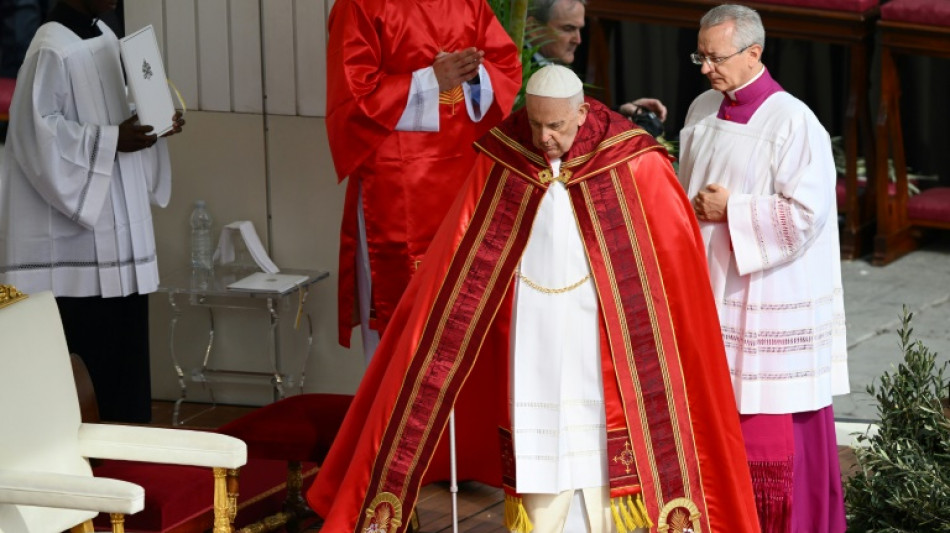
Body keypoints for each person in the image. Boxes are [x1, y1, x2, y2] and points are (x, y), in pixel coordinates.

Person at [308, 65, 759, 533]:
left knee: (599, 446)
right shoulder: (505, 154)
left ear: (582, 113)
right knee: (538, 445)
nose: (544, 137)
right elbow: (463, 250)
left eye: (557, 126)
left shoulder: (631, 158)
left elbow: (672, 259)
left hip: (598, 333)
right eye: (537, 122)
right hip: (530, 327)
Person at [677, 5, 849, 533]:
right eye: (700, 56)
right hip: (710, 287)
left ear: (755, 53)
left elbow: (806, 215)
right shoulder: (702, 109)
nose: (706, 68)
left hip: (766, 300)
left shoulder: (794, 122)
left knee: (766, 437)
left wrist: (730, 209)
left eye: (716, 57)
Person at [0, 0, 184, 423]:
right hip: (76, 247)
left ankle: (133, 455)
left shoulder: (104, 35)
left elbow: (114, 112)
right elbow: (35, 134)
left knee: (126, 366)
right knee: (88, 363)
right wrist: (110, 141)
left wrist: (152, 122)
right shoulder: (50, 46)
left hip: (117, 233)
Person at [326, 0, 523, 362]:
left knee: (463, 301)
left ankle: (460, 415)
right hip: (395, 184)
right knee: (400, 314)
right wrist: (431, 81)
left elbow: (506, 65)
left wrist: (471, 74)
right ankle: (391, 415)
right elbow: (353, 100)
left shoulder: (468, 3)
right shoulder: (359, 6)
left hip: (465, 172)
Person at [526, 0, 668, 125]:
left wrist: (620, 113)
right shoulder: (516, 71)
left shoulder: (551, 64)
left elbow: (576, 121)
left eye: (580, 29)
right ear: (533, 28)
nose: (578, 40)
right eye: (568, 29)